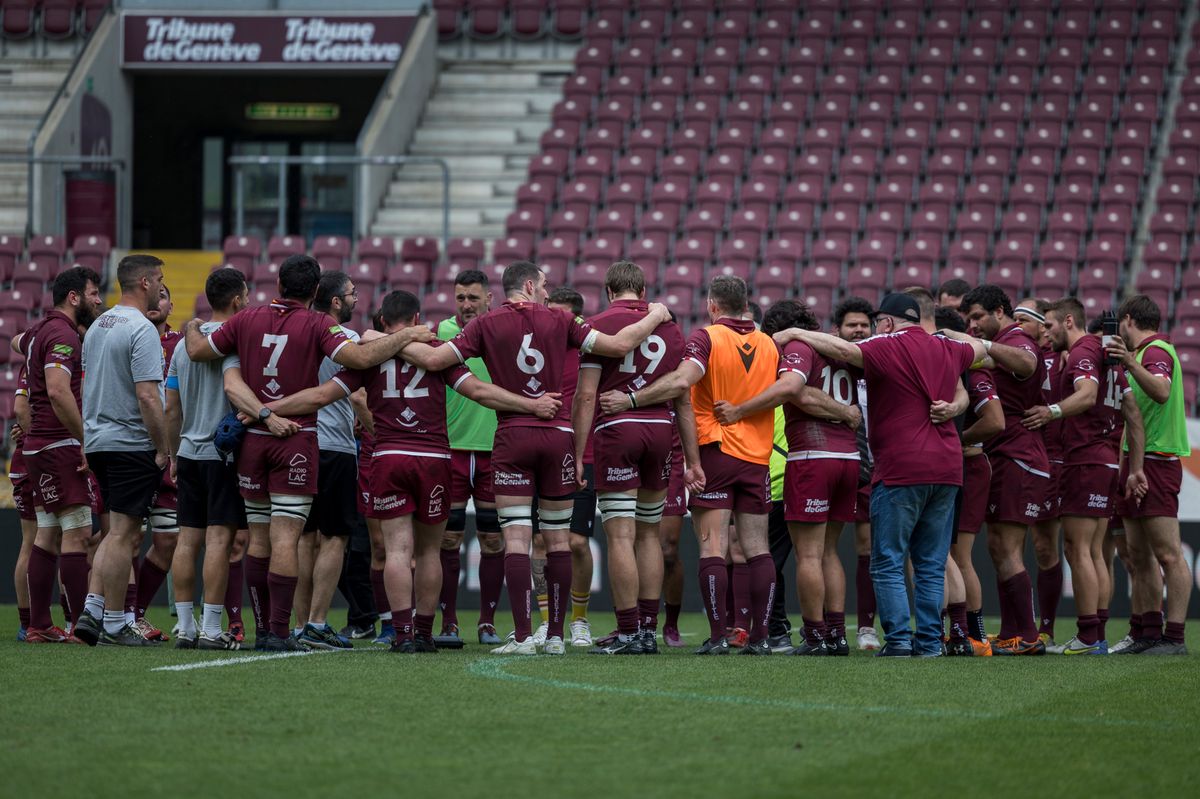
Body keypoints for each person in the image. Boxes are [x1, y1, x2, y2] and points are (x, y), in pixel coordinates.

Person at [261, 289, 563, 652]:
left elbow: (321, 395)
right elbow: (481, 392)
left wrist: (267, 407)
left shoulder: (369, 360)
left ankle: (402, 634)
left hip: (388, 456)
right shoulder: (437, 352)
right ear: (418, 319)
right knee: (429, 552)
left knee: (397, 550)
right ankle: (423, 632)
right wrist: (531, 405)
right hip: (434, 459)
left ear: (383, 322)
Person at [398, 261, 671, 655]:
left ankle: (525, 637)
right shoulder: (563, 320)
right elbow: (617, 346)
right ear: (529, 285)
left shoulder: (484, 325)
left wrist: (388, 339)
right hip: (558, 435)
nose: (547, 291)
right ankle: (557, 637)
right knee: (559, 539)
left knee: (516, 539)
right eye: (544, 285)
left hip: (512, 436)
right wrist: (656, 314)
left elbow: (437, 362)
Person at [184, 253, 433, 651]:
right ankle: (281, 632)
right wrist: (406, 336)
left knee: (260, 540)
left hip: (251, 437)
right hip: (296, 439)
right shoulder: (317, 324)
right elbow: (360, 358)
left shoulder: (246, 319)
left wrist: (191, 325)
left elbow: (198, 350)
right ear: (316, 291)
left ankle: (265, 627)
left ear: (279, 284)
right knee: (288, 538)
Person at [777, 293, 985, 656]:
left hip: (902, 467)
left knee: (887, 559)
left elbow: (844, 350)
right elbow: (980, 349)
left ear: (886, 323)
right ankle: (931, 643)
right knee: (931, 563)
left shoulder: (886, 345)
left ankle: (901, 641)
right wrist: (949, 338)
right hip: (949, 467)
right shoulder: (947, 348)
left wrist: (798, 332)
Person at [600, 275, 778, 655]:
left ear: (713, 305)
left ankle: (717, 637)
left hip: (716, 450)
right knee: (757, 549)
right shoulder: (767, 343)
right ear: (745, 304)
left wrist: (632, 400)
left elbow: (682, 382)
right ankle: (760, 638)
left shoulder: (707, 337)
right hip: (757, 457)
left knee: (712, 547)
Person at [717, 299, 864, 656]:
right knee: (830, 552)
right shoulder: (841, 352)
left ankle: (814, 637)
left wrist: (739, 410)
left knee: (809, 555)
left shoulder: (797, 346)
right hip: (850, 457)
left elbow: (791, 389)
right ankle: (837, 635)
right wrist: (847, 414)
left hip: (813, 456)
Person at [569, 262, 696, 654]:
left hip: (618, 431)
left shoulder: (597, 325)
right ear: (643, 291)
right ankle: (645, 628)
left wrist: (577, 453)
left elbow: (587, 395)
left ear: (609, 290)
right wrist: (693, 460)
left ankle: (626, 632)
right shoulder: (671, 329)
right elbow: (683, 399)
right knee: (649, 535)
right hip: (661, 431)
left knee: (620, 535)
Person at [1023, 298, 1146, 655]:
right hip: (1106, 462)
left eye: (1049, 326)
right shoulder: (1107, 356)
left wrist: (1051, 411)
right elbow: (1133, 414)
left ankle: (1088, 637)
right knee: (1094, 552)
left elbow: (1087, 395)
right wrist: (1133, 468)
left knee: (1079, 550)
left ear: (1069, 321)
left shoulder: (1082, 355)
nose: (1046, 332)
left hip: (1084, 461)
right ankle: (1098, 635)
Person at [70, 256, 169, 646]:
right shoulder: (141, 329)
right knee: (123, 533)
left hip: (99, 440)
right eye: (159, 279)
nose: (163, 287)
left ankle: (109, 618)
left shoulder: (98, 326)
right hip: (130, 441)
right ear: (143, 282)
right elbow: (147, 396)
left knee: (120, 533)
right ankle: (96, 614)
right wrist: (163, 448)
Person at [954, 284, 1050, 655]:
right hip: (1011, 457)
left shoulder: (1017, 337)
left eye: (978, 317)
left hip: (1020, 457)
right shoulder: (1007, 343)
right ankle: (1013, 631)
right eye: (969, 319)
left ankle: (1026, 635)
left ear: (999, 312)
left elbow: (1026, 363)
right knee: (1002, 549)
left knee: (1006, 549)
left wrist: (986, 347)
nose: (973, 325)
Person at [16, 266, 103, 642]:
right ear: (74, 297)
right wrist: (86, 438)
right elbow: (57, 389)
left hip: (37, 447)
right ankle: (81, 627)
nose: (98, 299)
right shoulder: (63, 333)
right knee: (78, 535)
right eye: (94, 293)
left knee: (46, 534)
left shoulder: (39, 331)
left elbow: (16, 341)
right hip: (60, 444)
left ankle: (38, 624)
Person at [165, 268, 249, 649]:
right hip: (222, 453)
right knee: (219, 542)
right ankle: (212, 629)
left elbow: (170, 406)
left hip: (187, 450)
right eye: (245, 295)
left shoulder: (184, 343)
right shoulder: (235, 342)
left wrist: (172, 454)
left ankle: (184, 626)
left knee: (187, 541)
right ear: (236, 299)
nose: (248, 301)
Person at [1105, 294, 1192, 655]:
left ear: (1128, 320)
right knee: (1139, 557)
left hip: (1158, 460)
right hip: (1137, 460)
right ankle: (1146, 633)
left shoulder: (1154, 352)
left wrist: (1128, 361)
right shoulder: (1145, 355)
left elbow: (1160, 391)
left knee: (1168, 554)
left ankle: (1174, 638)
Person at [291, 271, 367, 650]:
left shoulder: (299, 332)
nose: (356, 300)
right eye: (352, 294)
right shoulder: (346, 339)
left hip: (300, 443)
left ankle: (300, 622)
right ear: (335, 301)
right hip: (335, 447)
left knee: (304, 538)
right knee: (334, 537)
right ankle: (318, 624)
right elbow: (355, 397)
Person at [435, 269, 505, 646]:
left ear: (489, 299)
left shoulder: (500, 331)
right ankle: (449, 622)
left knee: (493, 540)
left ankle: (487, 622)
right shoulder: (442, 334)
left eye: (473, 298)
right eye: (460, 298)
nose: (465, 305)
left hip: (497, 451)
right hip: (453, 452)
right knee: (449, 538)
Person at [937, 307, 1004, 655]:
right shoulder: (959, 369)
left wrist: (958, 440)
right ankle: (964, 633)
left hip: (971, 466)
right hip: (959, 466)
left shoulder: (972, 373)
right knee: (950, 554)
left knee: (959, 556)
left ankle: (974, 635)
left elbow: (995, 421)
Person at [126, 285, 182, 642]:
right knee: (126, 538)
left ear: (170, 305)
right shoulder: (130, 336)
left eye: (164, 295)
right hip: (133, 450)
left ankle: (137, 613)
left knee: (167, 542)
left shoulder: (182, 344)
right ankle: (121, 615)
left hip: (171, 456)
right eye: (154, 294)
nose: (157, 301)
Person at [543, 286, 597, 647]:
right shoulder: (534, 345)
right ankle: (547, 623)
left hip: (586, 453)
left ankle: (579, 620)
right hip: (541, 450)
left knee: (577, 542)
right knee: (538, 541)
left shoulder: (591, 348)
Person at [9, 369, 36, 640]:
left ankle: (28, 623)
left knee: (32, 541)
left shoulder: (31, 355)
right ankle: (69, 621)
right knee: (67, 538)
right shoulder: (64, 351)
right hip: (45, 456)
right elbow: (20, 409)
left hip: (25, 458)